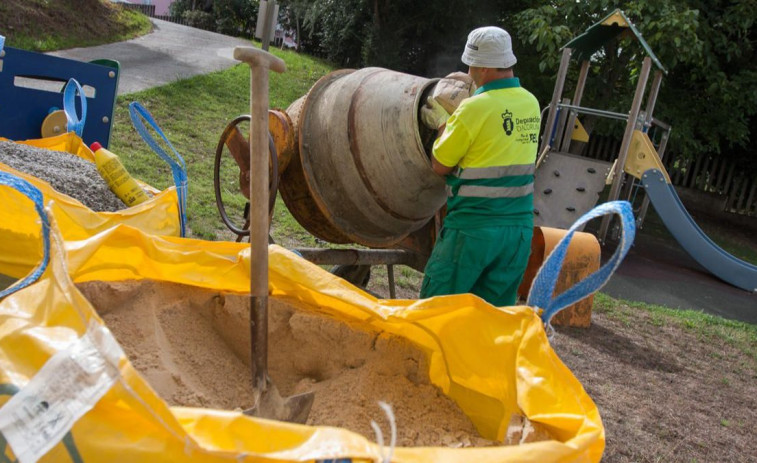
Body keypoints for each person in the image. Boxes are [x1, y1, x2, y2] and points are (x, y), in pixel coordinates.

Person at [418, 26, 540, 307]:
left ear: (482, 67)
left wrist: (442, 124)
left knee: (436, 310)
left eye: (471, 65)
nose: (469, 71)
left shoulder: (473, 108)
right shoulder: (531, 104)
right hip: (518, 233)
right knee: (490, 318)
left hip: (473, 230)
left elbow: (440, 165)